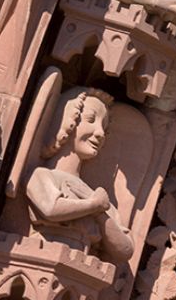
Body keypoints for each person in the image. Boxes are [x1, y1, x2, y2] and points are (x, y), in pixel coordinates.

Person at [24, 87, 133, 263]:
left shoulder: (97, 196)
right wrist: (93, 205)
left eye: (104, 127)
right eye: (91, 120)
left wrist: (101, 214)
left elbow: (125, 249)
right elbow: (50, 209)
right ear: (68, 121)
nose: (100, 133)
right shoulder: (43, 175)